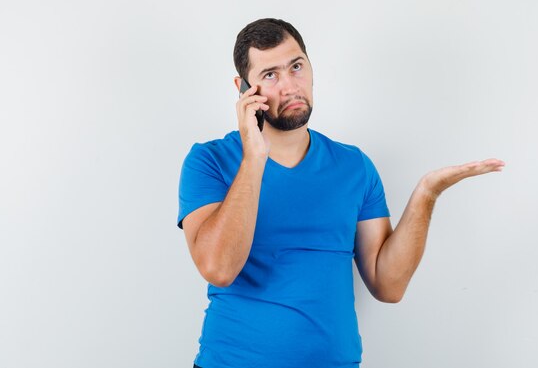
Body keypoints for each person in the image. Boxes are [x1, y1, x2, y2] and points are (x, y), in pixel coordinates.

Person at [177, 18, 505, 368]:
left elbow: (388, 285)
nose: (290, 86)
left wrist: (427, 193)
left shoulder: (354, 166)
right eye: (270, 75)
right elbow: (219, 268)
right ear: (243, 89)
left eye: (296, 67)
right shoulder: (208, 160)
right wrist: (255, 155)